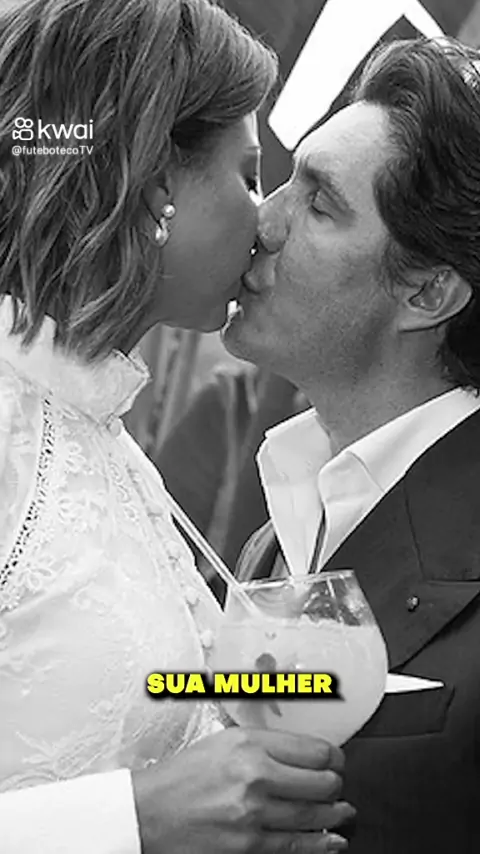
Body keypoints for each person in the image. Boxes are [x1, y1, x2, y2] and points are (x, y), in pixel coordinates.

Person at [0, 0, 356, 852]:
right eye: (250, 175)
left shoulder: (99, 432)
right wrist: (137, 819)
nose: (267, 221)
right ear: (158, 183)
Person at [224, 36, 480, 854]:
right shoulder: (284, 523)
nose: (263, 221)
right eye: (284, 180)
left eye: (320, 204)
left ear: (428, 290)